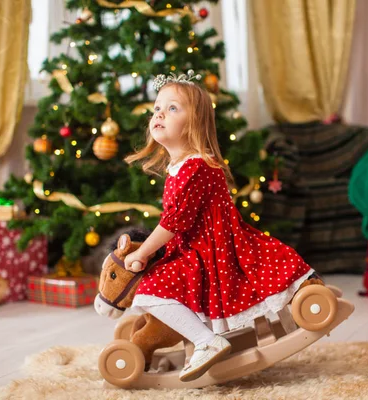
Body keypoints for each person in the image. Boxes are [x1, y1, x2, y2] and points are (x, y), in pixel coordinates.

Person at [123, 70, 317, 382]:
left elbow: (174, 222)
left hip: (209, 253)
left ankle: (206, 341)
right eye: (157, 108)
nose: (159, 114)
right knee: (157, 286)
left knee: (148, 292)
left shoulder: (197, 167)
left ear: (195, 122)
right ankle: (191, 336)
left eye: (173, 108)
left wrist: (142, 253)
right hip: (195, 249)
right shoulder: (181, 166)